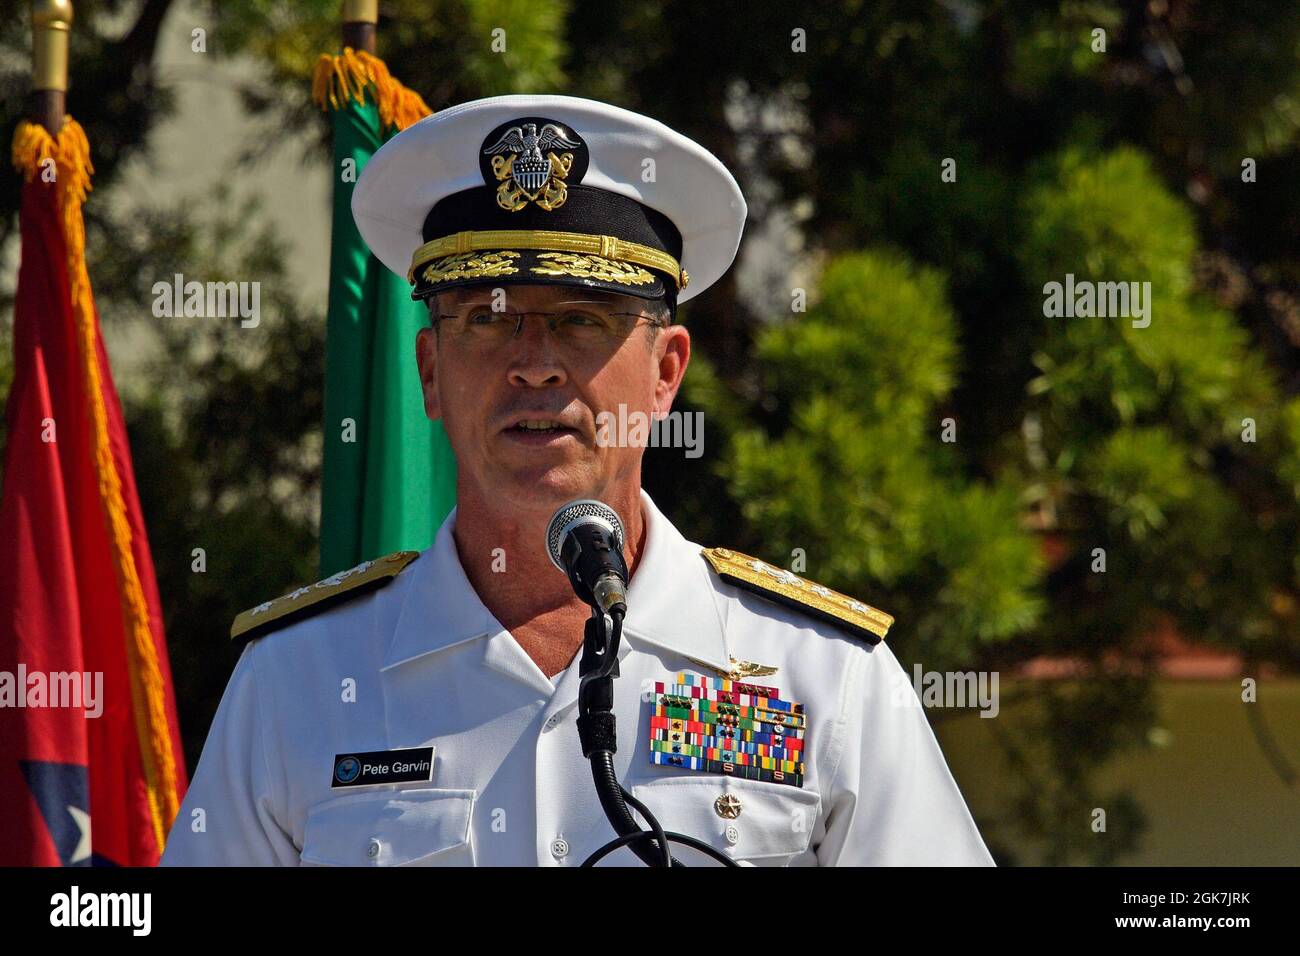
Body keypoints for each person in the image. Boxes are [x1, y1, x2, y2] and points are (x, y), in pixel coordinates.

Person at [160, 94, 993, 866]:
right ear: (429, 371)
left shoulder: (822, 678)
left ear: (665, 373)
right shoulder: (297, 682)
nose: (533, 366)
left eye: (581, 321)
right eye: (487, 320)